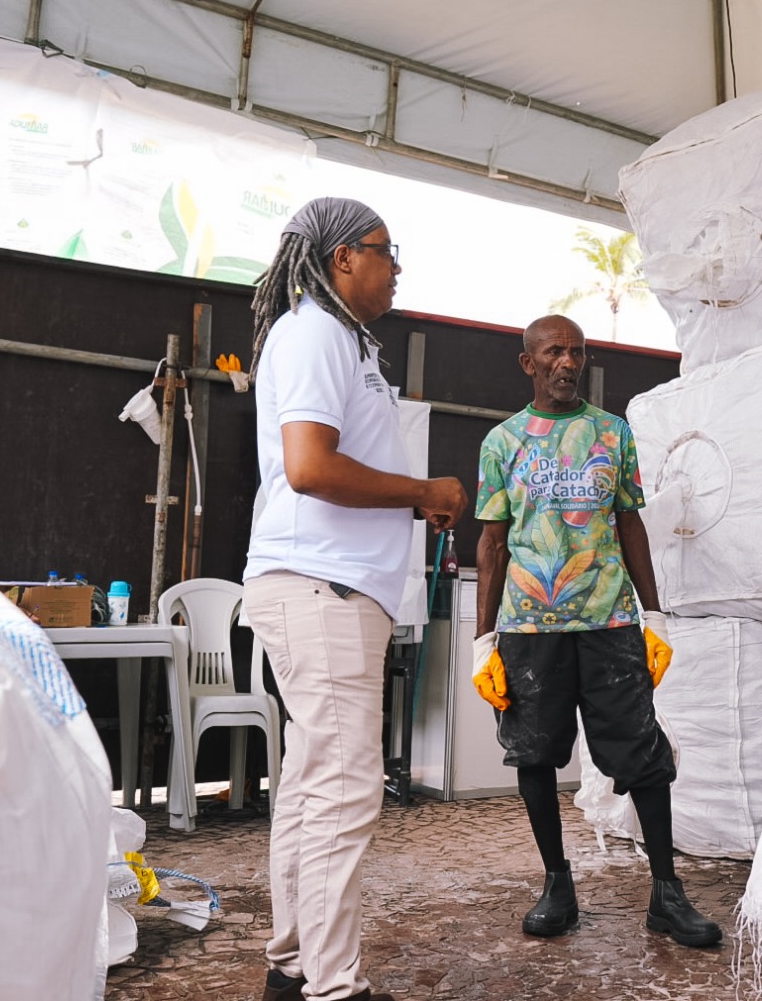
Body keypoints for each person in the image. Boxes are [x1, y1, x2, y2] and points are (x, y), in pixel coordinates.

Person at [242, 197, 467, 1001]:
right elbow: (308, 466)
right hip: (320, 585)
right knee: (344, 791)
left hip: (327, 587)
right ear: (342, 258)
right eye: (385, 249)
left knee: (312, 789)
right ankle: (334, 988)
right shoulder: (313, 333)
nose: (395, 265)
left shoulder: (342, 340)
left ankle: (294, 966)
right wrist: (421, 490)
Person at [472, 314, 722, 948]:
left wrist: (654, 612)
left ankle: (667, 892)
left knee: (642, 752)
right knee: (534, 751)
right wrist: (482, 642)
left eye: (575, 353)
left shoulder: (612, 434)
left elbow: (630, 525)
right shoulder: (502, 443)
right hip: (530, 628)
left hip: (609, 620)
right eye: (553, 352)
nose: (566, 363)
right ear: (528, 363)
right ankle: (557, 884)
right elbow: (492, 543)